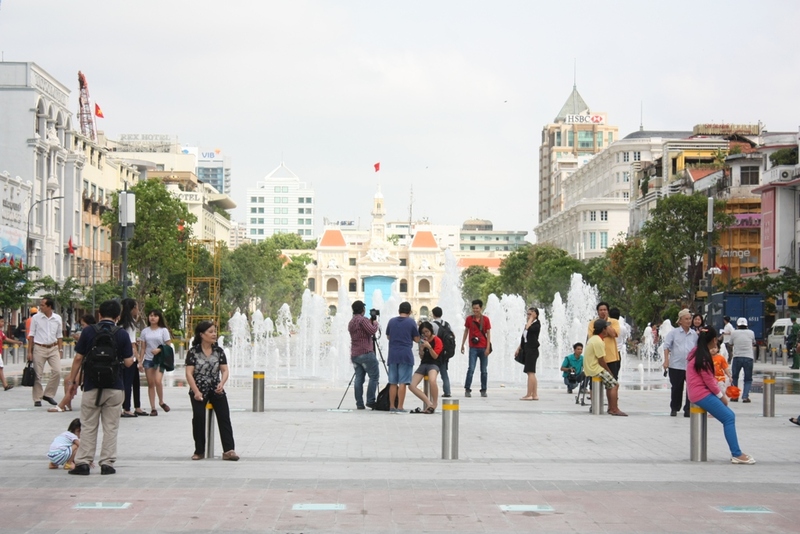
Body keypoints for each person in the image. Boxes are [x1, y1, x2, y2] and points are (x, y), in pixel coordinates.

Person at [67, 299, 134, 475]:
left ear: (99, 314)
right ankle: (107, 463)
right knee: (110, 426)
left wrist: (72, 381)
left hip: (91, 385)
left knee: (88, 425)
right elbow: (128, 363)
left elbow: (78, 358)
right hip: (114, 386)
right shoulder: (121, 334)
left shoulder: (88, 331)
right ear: (118, 317)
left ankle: (83, 463)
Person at [686, 327, 755, 464]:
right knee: (729, 417)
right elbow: (710, 381)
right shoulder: (704, 357)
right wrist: (721, 397)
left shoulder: (697, 353)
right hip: (701, 394)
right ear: (713, 340)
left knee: (729, 417)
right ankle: (736, 454)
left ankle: (736, 453)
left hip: (695, 393)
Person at [185, 320, 238, 461]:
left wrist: (222, 383)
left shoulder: (219, 351)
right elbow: (189, 373)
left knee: (224, 416)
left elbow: (225, 370)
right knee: (198, 417)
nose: (214, 334)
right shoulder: (193, 352)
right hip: (199, 389)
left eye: (215, 331)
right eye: (210, 332)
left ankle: (229, 450)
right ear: (201, 334)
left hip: (216, 388)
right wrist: (196, 391)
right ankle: (199, 451)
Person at [48, 314, 96, 413]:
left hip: (89, 366)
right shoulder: (94, 332)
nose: (82, 327)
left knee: (70, 381)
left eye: (83, 325)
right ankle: (67, 404)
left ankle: (63, 404)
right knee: (68, 380)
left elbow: (79, 356)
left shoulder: (89, 333)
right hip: (90, 365)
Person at [583, 319, 626, 416]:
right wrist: (609, 371)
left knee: (610, 384)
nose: (609, 329)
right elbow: (601, 360)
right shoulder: (598, 341)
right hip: (595, 369)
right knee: (615, 384)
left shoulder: (593, 339)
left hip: (591, 367)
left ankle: (611, 408)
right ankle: (614, 409)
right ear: (603, 330)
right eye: (608, 328)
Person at [27, 297, 64, 407]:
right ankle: (37, 398)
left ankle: (48, 394)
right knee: (38, 374)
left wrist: (60, 349)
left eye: (43, 305)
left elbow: (59, 335)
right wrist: (29, 351)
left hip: (53, 348)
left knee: (57, 371)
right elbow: (31, 335)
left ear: (49, 307)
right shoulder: (36, 318)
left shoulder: (57, 318)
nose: (40, 306)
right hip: (39, 347)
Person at [385, 301, 419, 413]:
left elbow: (388, 336)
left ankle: (391, 406)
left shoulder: (391, 321)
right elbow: (417, 339)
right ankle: (400, 406)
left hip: (393, 354)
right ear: (409, 312)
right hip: (405, 354)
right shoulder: (411, 322)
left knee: (393, 382)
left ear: (399, 311)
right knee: (403, 382)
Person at [663, 309, 698, 417]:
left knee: (690, 388)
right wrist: (666, 361)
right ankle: (674, 408)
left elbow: (697, 348)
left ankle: (688, 409)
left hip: (690, 366)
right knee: (677, 388)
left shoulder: (694, 335)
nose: (688, 321)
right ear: (680, 321)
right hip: (676, 365)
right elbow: (666, 347)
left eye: (689, 319)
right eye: (686, 319)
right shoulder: (673, 333)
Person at [347, 300, 380, 410]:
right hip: (366, 352)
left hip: (355, 354)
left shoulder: (351, 322)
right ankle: (370, 401)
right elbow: (372, 331)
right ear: (362, 310)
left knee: (359, 379)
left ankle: (359, 403)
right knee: (374, 376)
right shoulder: (363, 320)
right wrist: (375, 323)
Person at [139, 309, 172, 416]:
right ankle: (153, 408)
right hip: (148, 359)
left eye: (155, 316)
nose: (152, 317)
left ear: (159, 318)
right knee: (150, 384)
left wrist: (159, 350)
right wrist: (140, 361)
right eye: (151, 315)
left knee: (158, 381)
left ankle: (161, 401)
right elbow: (143, 348)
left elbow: (168, 345)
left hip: (160, 360)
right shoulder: (145, 331)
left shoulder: (163, 330)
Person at [119, 299, 147, 418]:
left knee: (134, 382)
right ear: (132, 309)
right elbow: (132, 344)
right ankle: (127, 408)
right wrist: (139, 360)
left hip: (124, 357)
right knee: (129, 383)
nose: (138, 310)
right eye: (136, 307)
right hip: (130, 358)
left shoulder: (122, 323)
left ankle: (137, 406)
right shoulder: (130, 325)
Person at [461, 299, 492, 398]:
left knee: (484, 370)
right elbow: (466, 331)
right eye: (474, 308)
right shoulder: (469, 319)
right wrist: (462, 344)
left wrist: (488, 348)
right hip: (473, 348)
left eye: (477, 308)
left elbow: (488, 333)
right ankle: (467, 389)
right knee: (471, 368)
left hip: (483, 347)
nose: (475, 310)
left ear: (481, 308)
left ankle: (483, 389)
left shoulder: (486, 319)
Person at [408, 321, 440, 413]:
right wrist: (421, 350)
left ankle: (435, 403)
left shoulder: (437, 340)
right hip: (423, 364)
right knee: (411, 385)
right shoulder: (423, 340)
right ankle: (429, 403)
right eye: (423, 332)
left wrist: (429, 347)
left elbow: (435, 356)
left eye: (427, 331)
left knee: (432, 380)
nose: (425, 334)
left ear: (431, 330)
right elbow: (422, 356)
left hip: (434, 364)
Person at [514, 307, 541, 400]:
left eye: (531, 314)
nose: (528, 316)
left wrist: (532, 319)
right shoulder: (528, 324)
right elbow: (524, 338)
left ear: (535, 315)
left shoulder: (536, 324)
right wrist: (519, 348)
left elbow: (528, 328)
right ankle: (534, 394)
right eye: (528, 314)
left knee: (530, 372)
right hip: (527, 349)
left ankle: (529, 394)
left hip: (532, 351)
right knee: (531, 372)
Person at [730, 317, 756, 403]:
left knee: (735, 377)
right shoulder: (751, 332)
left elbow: (730, 343)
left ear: (737, 325)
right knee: (748, 379)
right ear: (746, 325)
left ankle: (734, 396)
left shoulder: (734, 333)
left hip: (737, 357)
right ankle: (745, 397)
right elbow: (754, 342)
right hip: (748, 357)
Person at [430, 307, 453, 398]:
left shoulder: (432, 325)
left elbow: (430, 337)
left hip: (436, 351)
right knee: (444, 373)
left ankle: (431, 391)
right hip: (445, 353)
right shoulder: (447, 324)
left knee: (432, 373)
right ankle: (447, 391)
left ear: (433, 314)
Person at [0, 317, 21, 390]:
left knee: (0, 368)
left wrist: (17, 342)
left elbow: (6, 339)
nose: (3, 323)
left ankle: (5, 385)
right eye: (2, 321)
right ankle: (5, 385)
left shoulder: (1, 332)